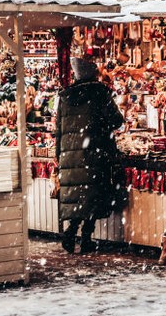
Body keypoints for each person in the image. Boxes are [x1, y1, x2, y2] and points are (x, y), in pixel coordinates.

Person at [56, 57, 125, 254]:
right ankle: (85, 237)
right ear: (93, 73)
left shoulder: (65, 96)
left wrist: (58, 155)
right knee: (92, 196)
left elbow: (58, 130)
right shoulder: (100, 93)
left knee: (79, 196)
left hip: (70, 156)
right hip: (95, 152)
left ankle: (70, 232)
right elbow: (116, 119)